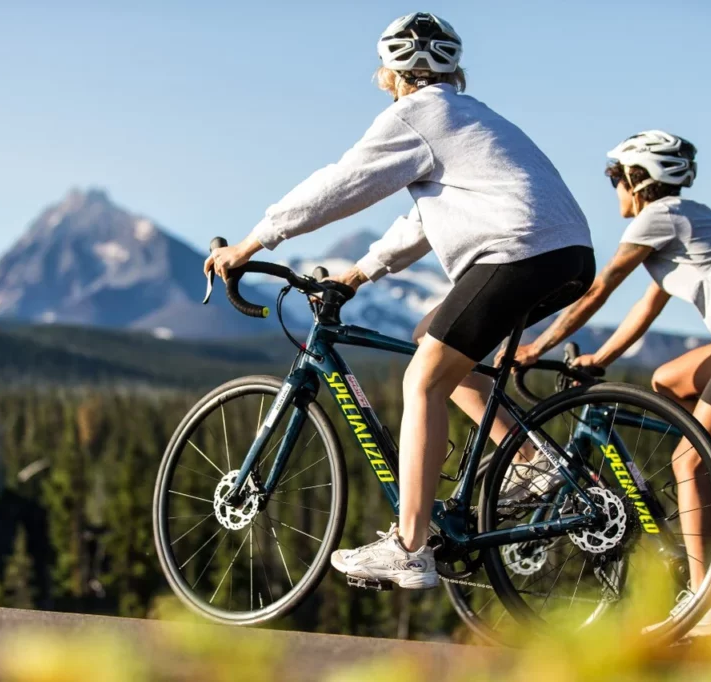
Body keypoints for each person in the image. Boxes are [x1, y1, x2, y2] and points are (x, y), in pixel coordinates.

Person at [204, 12, 594, 589]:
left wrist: (253, 241)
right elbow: (424, 217)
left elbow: (340, 184)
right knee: (429, 342)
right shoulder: (468, 117)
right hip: (565, 255)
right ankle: (535, 461)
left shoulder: (414, 114)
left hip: (517, 254)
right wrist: (360, 273)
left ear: (390, 71)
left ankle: (410, 547)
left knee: (423, 380)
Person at [512, 129, 711, 625]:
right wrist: (601, 358)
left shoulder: (660, 218)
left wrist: (535, 347)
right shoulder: (684, 223)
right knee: (669, 382)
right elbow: (645, 309)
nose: (613, 186)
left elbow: (599, 291)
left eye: (615, 177)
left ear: (638, 179)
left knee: (688, 461)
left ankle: (707, 605)